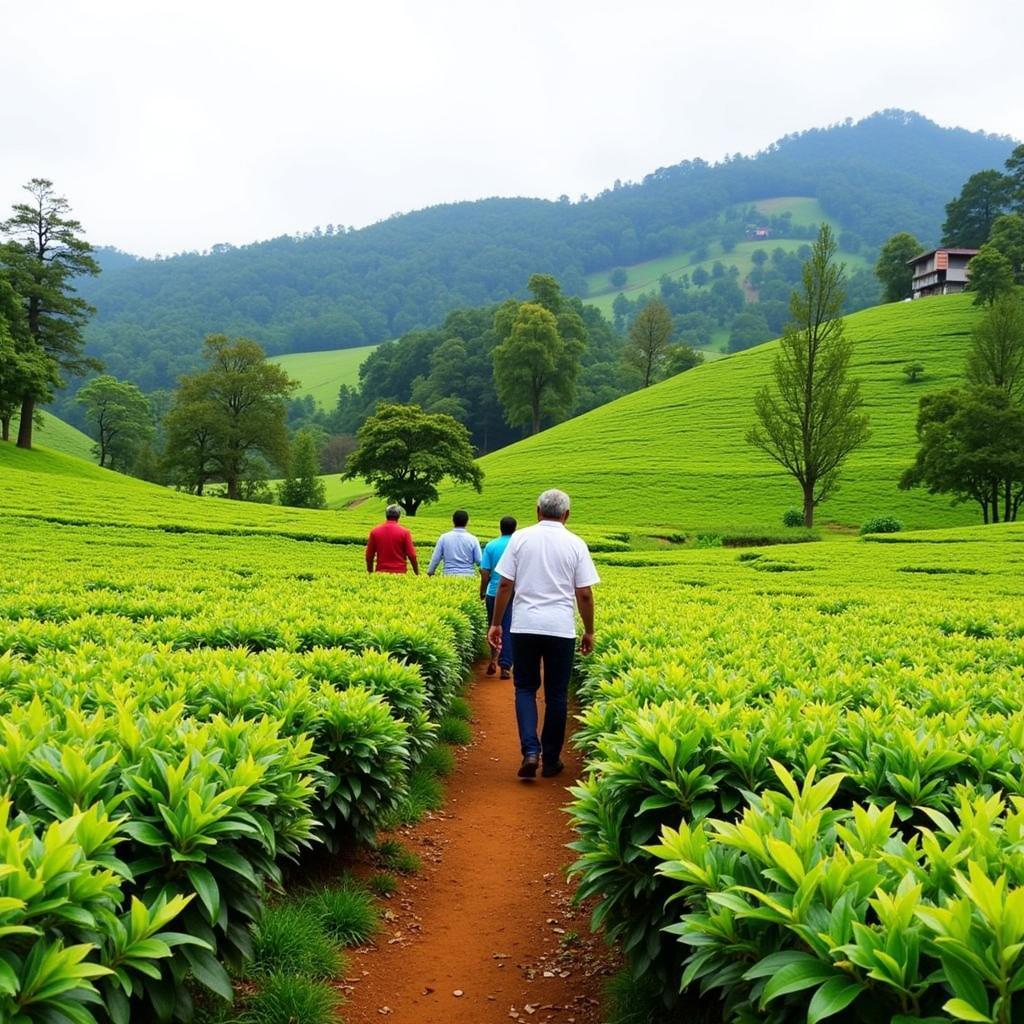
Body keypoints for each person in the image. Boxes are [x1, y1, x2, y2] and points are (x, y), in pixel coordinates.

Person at [488, 489, 599, 780]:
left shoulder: (520, 539)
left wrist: (496, 623)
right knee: (557, 694)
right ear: (567, 515)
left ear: (537, 510)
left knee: (524, 688)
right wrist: (589, 630)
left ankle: (530, 751)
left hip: (524, 625)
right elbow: (585, 594)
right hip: (561, 628)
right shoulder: (576, 543)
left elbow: (504, 585)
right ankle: (551, 759)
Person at [479, 516, 517, 679]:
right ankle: (506, 665)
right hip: (514, 593)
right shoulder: (518, 546)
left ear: (500, 528)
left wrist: (482, 590)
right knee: (508, 627)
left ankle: (493, 658)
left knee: (493, 624)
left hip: (493, 592)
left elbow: (485, 571)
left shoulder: (491, 545)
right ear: (515, 529)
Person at [365, 504, 419, 575]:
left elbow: (369, 555)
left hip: (381, 572)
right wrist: (416, 573)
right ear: (399, 516)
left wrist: (370, 572)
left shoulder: (375, 531)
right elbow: (412, 555)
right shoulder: (405, 532)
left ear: (386, 515)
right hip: (400, 573)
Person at [427, 509, 482, 577]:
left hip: (449, 575)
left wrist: (430, 572)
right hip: (468, 575)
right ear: (467, 521)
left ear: (453, 520)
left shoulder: (444, 537)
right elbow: (479, 560)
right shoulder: (473, 539)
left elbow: (436, 558)